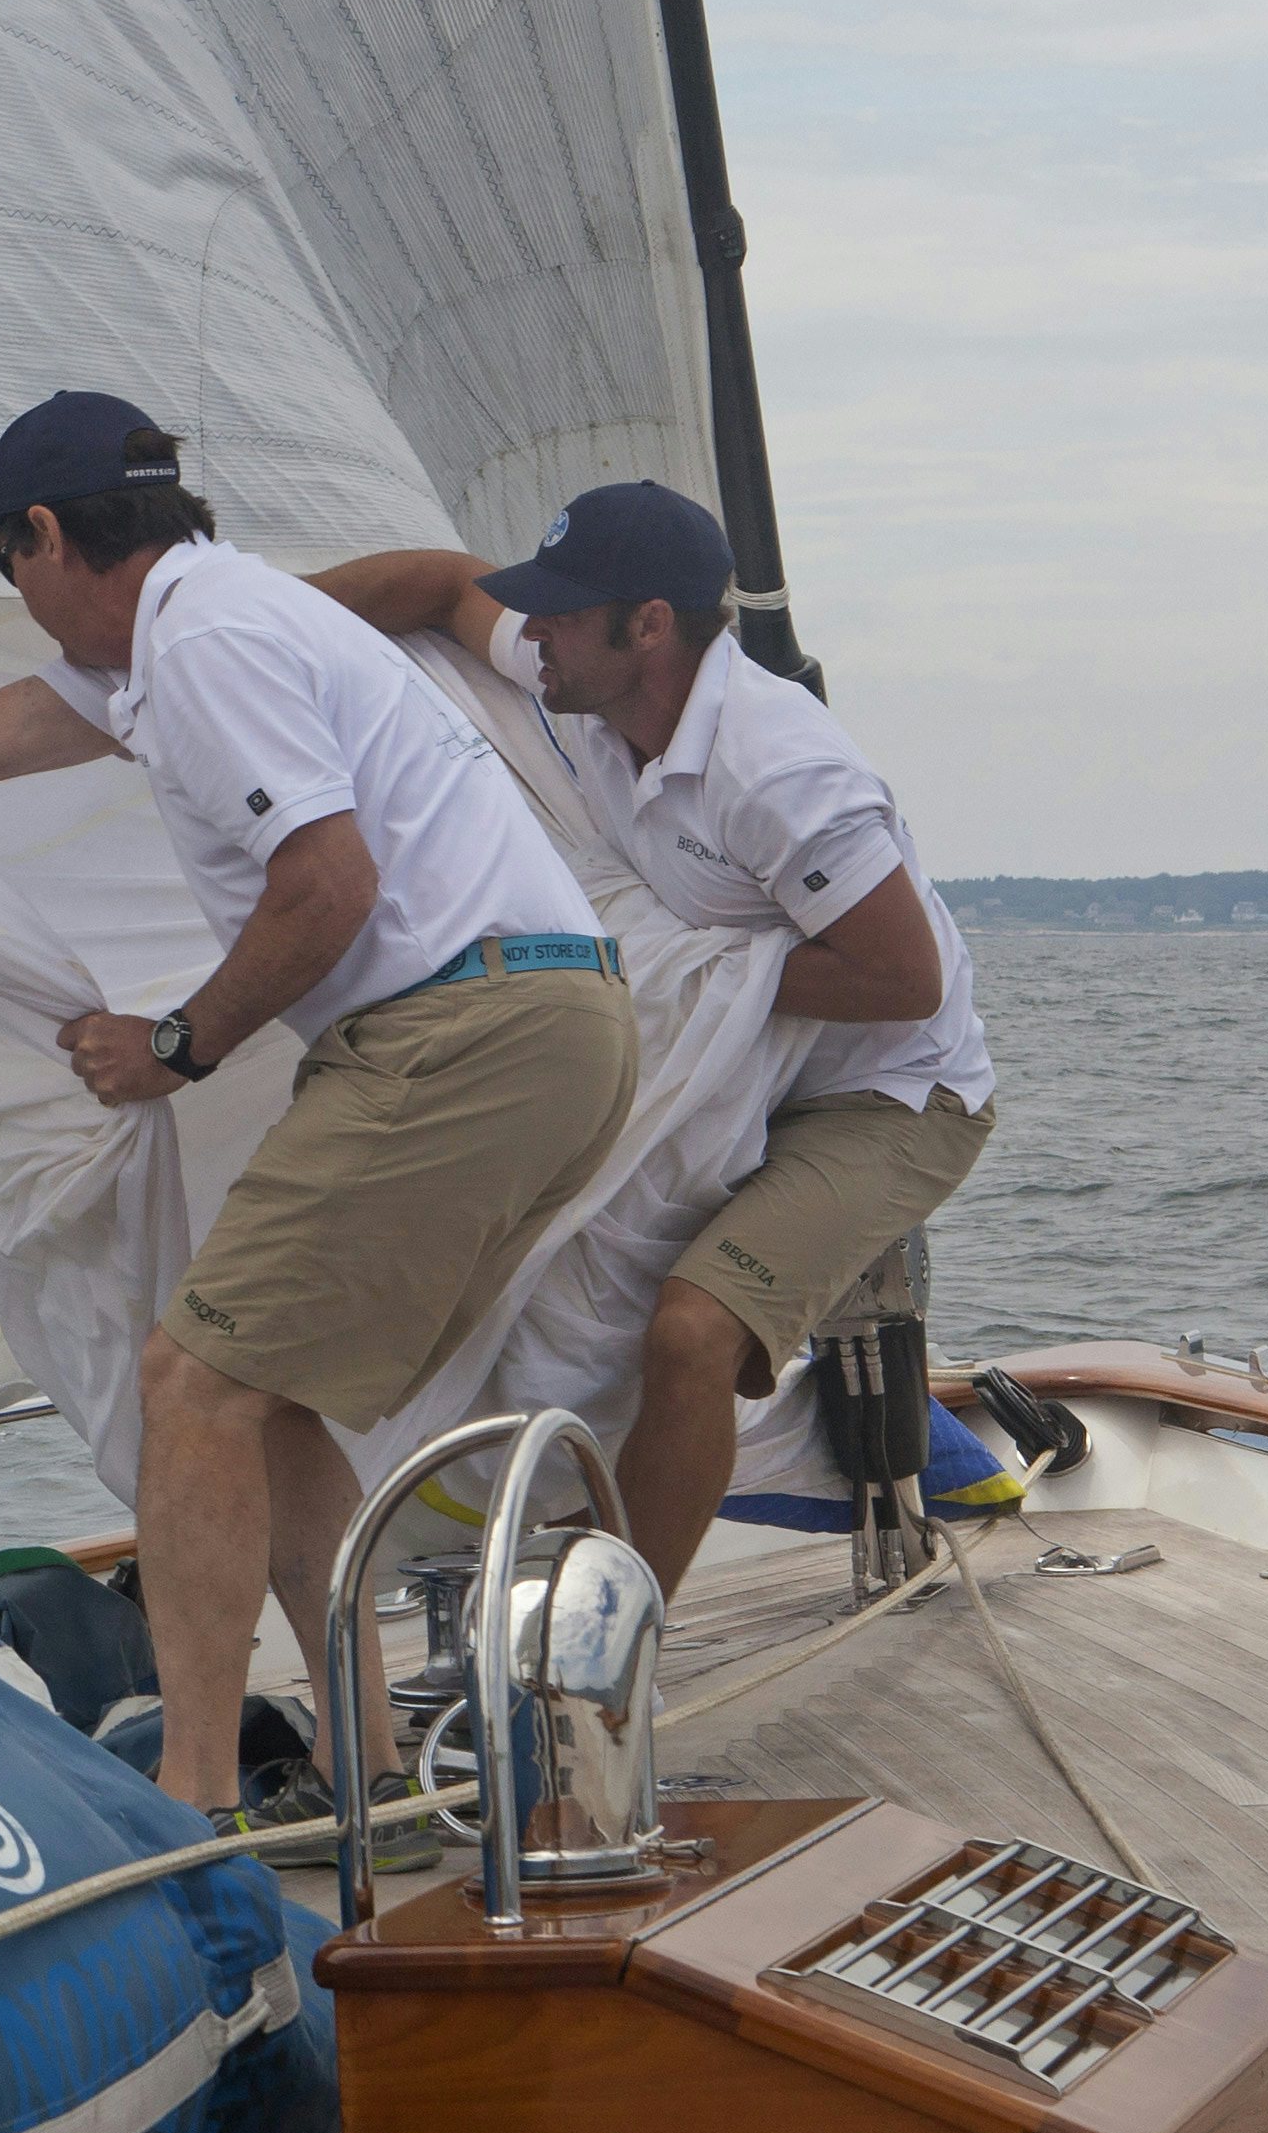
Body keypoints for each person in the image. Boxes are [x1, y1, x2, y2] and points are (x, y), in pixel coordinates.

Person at [0, 391, 637, 1857]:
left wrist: (176, 1046)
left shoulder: (203, 644)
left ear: (46, 534)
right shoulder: (174, 645)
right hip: (529, 1018)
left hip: (467, 1026)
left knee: (189, 1378)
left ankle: (190, 1805)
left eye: (7, 567)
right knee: (262, 1387)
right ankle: (357, 1756)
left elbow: (328, 883)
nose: (17, 602)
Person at [309, 481, 997, 1588]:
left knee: (687, 1334)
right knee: (500, 1247)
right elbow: (438, 586)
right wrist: (229, 642)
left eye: (561, 612)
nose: (530, 633)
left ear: (649, 627)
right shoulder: (574, 684)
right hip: (731, 1082)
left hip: (886, 1096)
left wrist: (676, 978)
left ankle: (612, 1651)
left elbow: (903, 978)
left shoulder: (779, 769)